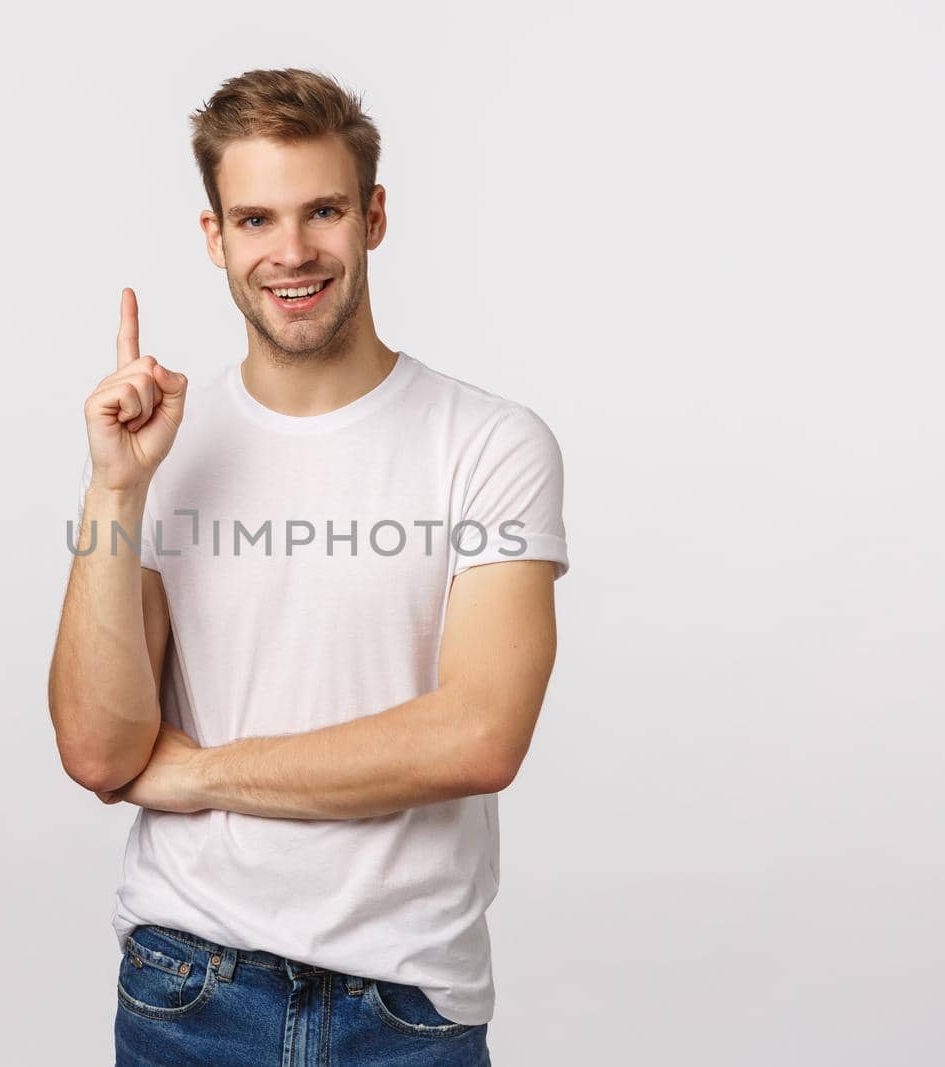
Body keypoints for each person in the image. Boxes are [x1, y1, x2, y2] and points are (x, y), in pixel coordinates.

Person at [48, 67, 570, 1066]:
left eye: (321, 210)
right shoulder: (169, 451)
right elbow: (102, 752)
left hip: (407, 1004)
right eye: (254, 218)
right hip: (188, 990)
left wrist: (198, 771)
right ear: (215, 238)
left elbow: (477, 734)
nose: (290, 252)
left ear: (372, 216)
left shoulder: (488, 442)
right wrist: (116, 489)